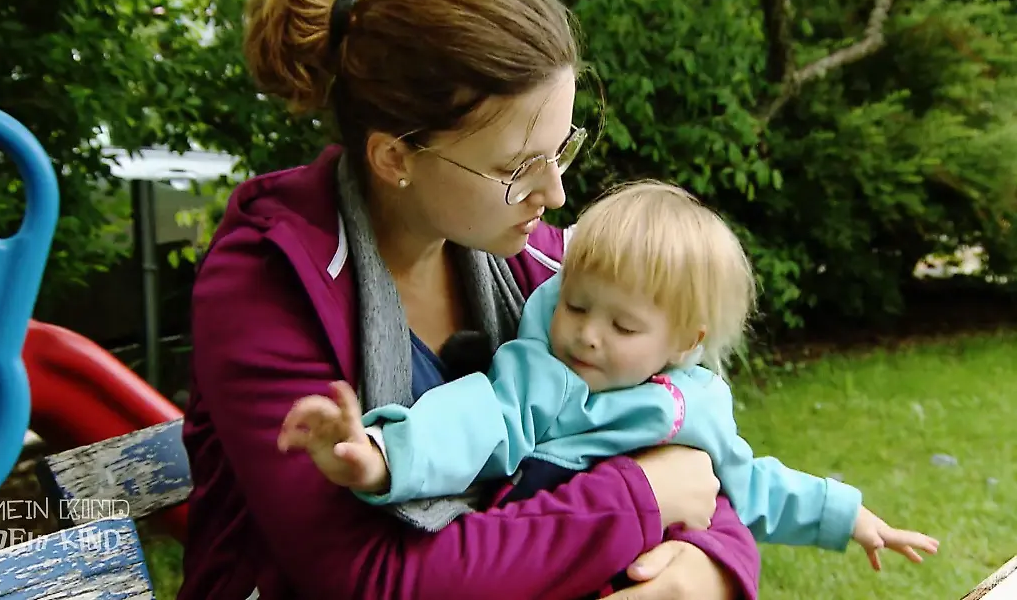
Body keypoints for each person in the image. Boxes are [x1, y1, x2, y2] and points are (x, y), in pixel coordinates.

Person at [178, 0, 762, 600]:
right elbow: (367, 578)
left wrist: (706, 566)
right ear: (395, 158)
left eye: (560, 149)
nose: (556, 195)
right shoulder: (265, 287)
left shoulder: (539, 265)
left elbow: (683, 431)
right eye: (517, 167)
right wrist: (638, 500)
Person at [280, 181, 940, 573]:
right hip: (546, 550)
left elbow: (746, 482)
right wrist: (380, 455)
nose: (587, 333)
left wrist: (844, 514)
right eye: (576, 303)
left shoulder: (695, 406)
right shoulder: (544, 366)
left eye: (624, 328)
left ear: (686, 342)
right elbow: (482, 418)